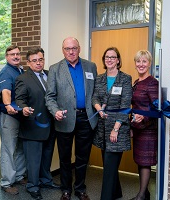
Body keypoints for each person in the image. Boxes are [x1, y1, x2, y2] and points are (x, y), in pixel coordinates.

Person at [45, 37, 98, 200]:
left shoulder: (90, 66)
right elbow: (50, 96)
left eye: (74, 48)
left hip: (86, 118)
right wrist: (55, 111)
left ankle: (80, 188)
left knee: (83, 157)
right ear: (63, 50)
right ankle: (66, 189)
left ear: (79, 48)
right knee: (65, 157)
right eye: (67, 49)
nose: (71, 51)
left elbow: (95, 91)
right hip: (65, 118)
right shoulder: (55, 69)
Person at [15, 47, 60, 200]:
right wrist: (23, 108)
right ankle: (33, 185)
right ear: (28, 62)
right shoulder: (23, 78)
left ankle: (46, 180)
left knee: (47, 155)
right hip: (33, 125)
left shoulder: (49, 74)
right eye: (34, 60)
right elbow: (19, 100)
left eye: (40, 59)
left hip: (51, 124)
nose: (38, 63)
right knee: (33, 159)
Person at [92, 47, 132, 200]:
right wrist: (98, 108)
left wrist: (116, 129)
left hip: (117, 128)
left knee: (109, 167)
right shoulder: (100, 79)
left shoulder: (125, 79)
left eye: (113, 57)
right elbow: (94, 97)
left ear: (118, 60)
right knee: (109, 165)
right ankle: (117, 193)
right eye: (107, 57)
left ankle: (107, 196)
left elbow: (126, 105)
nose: (109, 59)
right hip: (102, 127)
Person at [0, 45, 26, 195]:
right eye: (11, 54)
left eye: (17, 54)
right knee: (9, 148)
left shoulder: (20, 70)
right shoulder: (6, 72)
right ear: (6, 57)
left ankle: (19, 175)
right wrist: (8, 105)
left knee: (20, 146)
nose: (15, 56)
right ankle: (7, 182)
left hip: (21, 115)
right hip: (9, 116)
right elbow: (6, 91)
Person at [130, 50, 158, 200]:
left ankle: (141, 196)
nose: (141, 64)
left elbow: (155, 107)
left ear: (149, 63)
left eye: (144, 61)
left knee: (145, 162)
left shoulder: (152, 82)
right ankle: (145, 193)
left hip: (148, 129)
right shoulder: (137, 82)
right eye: (138, 61)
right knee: (140, 161)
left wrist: (144, 117)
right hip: (138, 128)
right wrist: (132, 125)